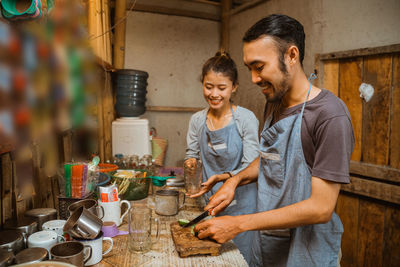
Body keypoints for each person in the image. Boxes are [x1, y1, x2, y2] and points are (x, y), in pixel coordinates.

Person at [193, 14, 355, 267]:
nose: (254, 79)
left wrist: (238, 223)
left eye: (259, 67)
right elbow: (272, 158)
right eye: (250, 69)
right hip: (270, 243)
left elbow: (321, 208)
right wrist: (235, 179)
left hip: (308, 251)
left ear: (291, 56)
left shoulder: (329, 115)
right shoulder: (274, 103)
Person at [184, 51, 259, 263]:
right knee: (212, 258)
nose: (214, 94)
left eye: (221, 88)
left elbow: (252, 165)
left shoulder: (245, 119)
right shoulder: (197, 120)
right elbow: (192, 154)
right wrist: (191, 164)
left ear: (234, 87)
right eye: (208, 87)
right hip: (209, 203)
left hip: (242, 206)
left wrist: (224, 176)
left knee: (240, 259)